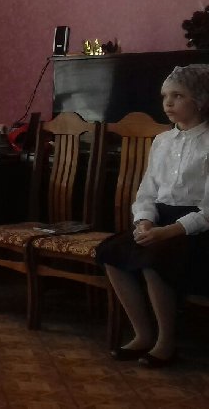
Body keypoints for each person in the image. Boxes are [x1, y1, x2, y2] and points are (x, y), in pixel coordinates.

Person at [97, 64, 209, 368]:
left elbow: (208, 210)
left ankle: (166, 342)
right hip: (160, 219)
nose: (168, 103)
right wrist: (144, 221)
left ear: (200, 99)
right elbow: (147, 191)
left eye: (178, 96)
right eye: (165, 96)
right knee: (113, 252)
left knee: (154, 258)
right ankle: (143, 334)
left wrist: (168, 232)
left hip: (195, 228)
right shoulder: (162, 141)